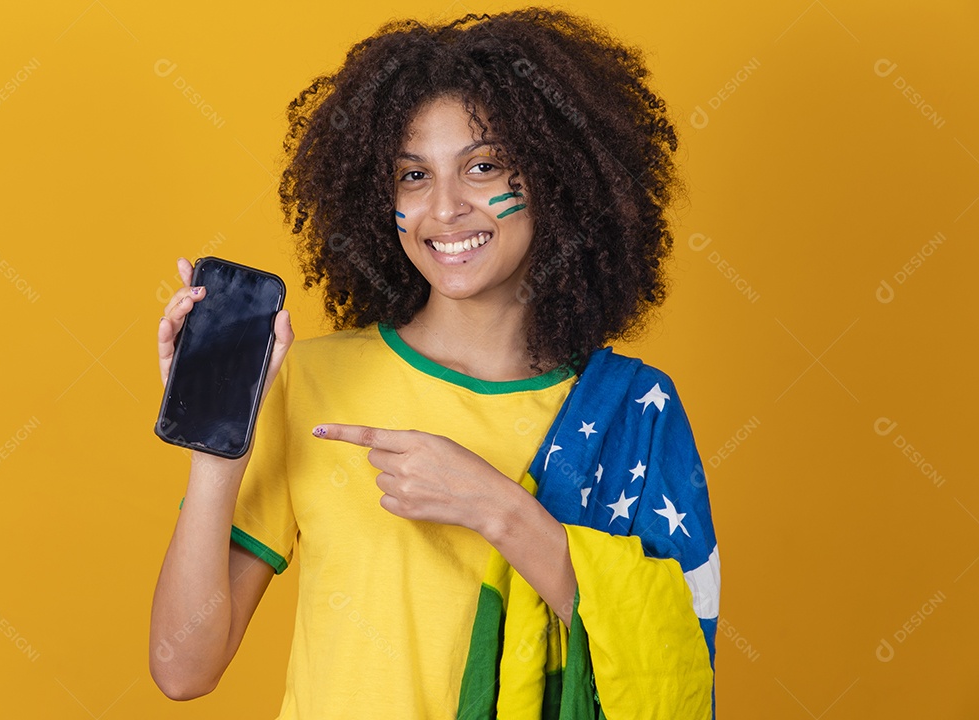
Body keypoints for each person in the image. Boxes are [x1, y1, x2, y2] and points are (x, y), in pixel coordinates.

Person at [149, 8, 719, 719]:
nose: (443, 209)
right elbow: (182, 667)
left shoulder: (630, 411)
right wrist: (215, 446)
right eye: (414, 175)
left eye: (483, 166)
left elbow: (673, 663)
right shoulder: (309, 381)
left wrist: (500, 509)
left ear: (559, 177)